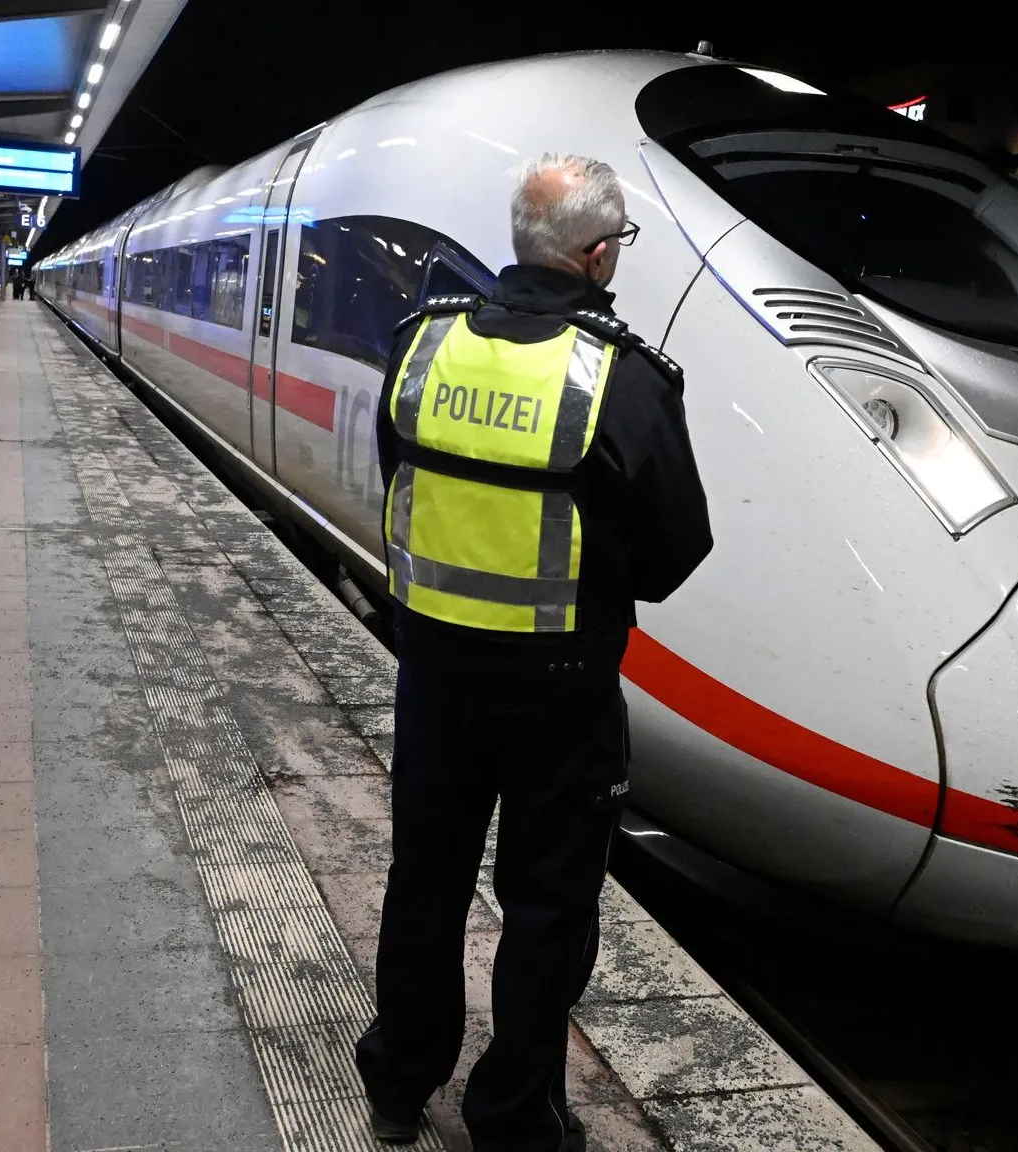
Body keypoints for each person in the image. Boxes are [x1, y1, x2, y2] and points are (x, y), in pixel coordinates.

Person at [356, 153, 714, 1152]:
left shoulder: (423, 345)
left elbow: (396, 477)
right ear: (597, 256)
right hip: (560, 695)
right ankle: (514, 1121)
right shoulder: (621, 376)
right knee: (547, 908)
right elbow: (673, 553)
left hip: (434, 677)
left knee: (424, 881)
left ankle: (398, 1086)